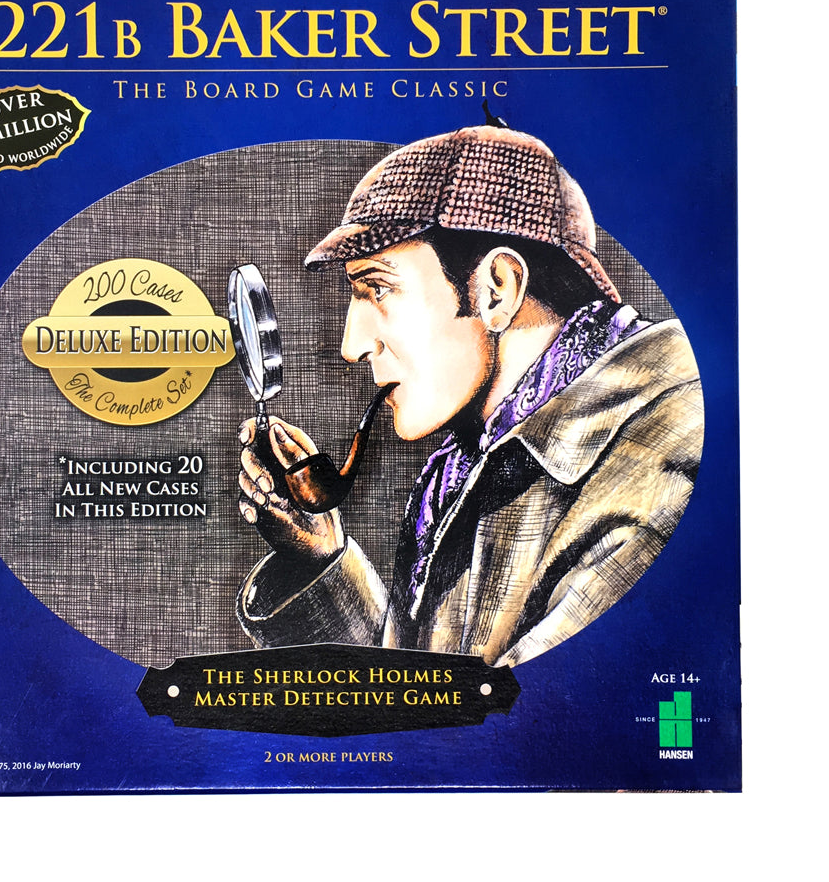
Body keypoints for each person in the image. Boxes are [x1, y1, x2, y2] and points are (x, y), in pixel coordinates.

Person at [235, 124, 704, 667]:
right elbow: (427, 685)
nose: (352, 345)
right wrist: (321, 559)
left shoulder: (664, 459)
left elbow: (508, 713)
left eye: (378, 288)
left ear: (497, 289)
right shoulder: (465, 472)